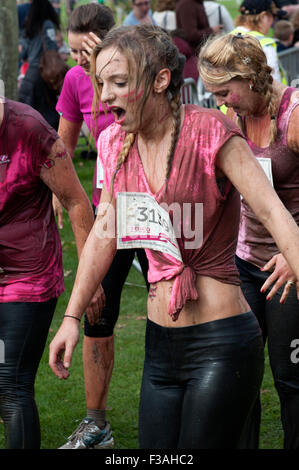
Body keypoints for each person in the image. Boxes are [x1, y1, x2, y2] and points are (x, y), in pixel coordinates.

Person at [49, 24, 299, 449]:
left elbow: (272, 210)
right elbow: (103, 235)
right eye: (102, 82)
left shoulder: (212, 132)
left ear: (161, 80)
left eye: (120, 82)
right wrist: (72, 318)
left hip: (221, 340)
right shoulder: (113, 144)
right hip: (160, 344)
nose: (105, 95)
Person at [198, 32, 299, 449]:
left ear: (252, 77)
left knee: (290, 377)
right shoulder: (229, 119)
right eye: (215, 95)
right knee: (239, 374)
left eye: (226, 91)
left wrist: (297, 254)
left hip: (289, 266)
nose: (222, 102)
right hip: (242, 261)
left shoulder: (292, 116)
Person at [55, 4, 149, 449]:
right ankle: (97, 424)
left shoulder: (138, 72)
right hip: (108, 210)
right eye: (71, 51)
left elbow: (145, 130)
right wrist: (63, 197)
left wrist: (103, 72)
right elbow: (65, 146)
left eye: (82, 51)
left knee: (177, 305)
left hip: (153, 206)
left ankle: (178, 398)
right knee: (96, 314)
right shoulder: (77, 80)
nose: (75, 60)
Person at [0, 95, 103, 449]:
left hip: (27, 277)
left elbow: (76, 201)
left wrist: (92, 278)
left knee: (10, 383)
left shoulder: (30, 130)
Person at [18, 0, 63, 130]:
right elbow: (51, 47)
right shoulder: (47, 24)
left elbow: (23, 53)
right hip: (44, 73)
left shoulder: (28, 26)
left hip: (30, 75)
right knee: (49, 115)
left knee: (30, 116)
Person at [232, 0, 287, 83]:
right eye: (273, 16)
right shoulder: (264, 44)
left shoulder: (227, 38)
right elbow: (273, 81)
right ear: (263, 16)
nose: (273, 22)